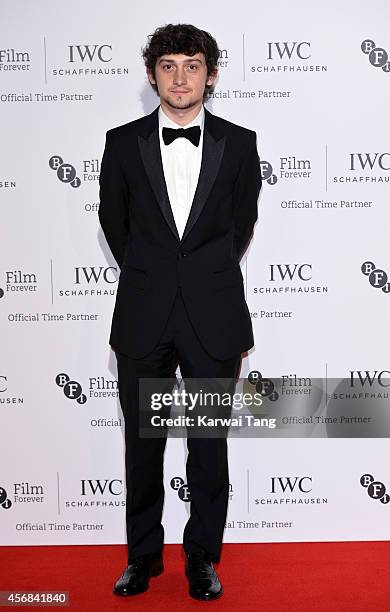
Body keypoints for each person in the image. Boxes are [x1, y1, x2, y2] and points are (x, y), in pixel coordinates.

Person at [98, 23, 262, 601]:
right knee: (142, 446)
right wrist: (152, 275)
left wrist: (200, 277)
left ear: (210, 74)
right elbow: (115, 226)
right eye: (168, 65)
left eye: (193, 65)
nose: (181, 76)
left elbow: (240, 227)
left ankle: (202, 560)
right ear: (151, 75)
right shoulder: (121, 143)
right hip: (144, 316)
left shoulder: (240, 144)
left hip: (213, 318)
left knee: (208, 445)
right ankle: (142, 558)